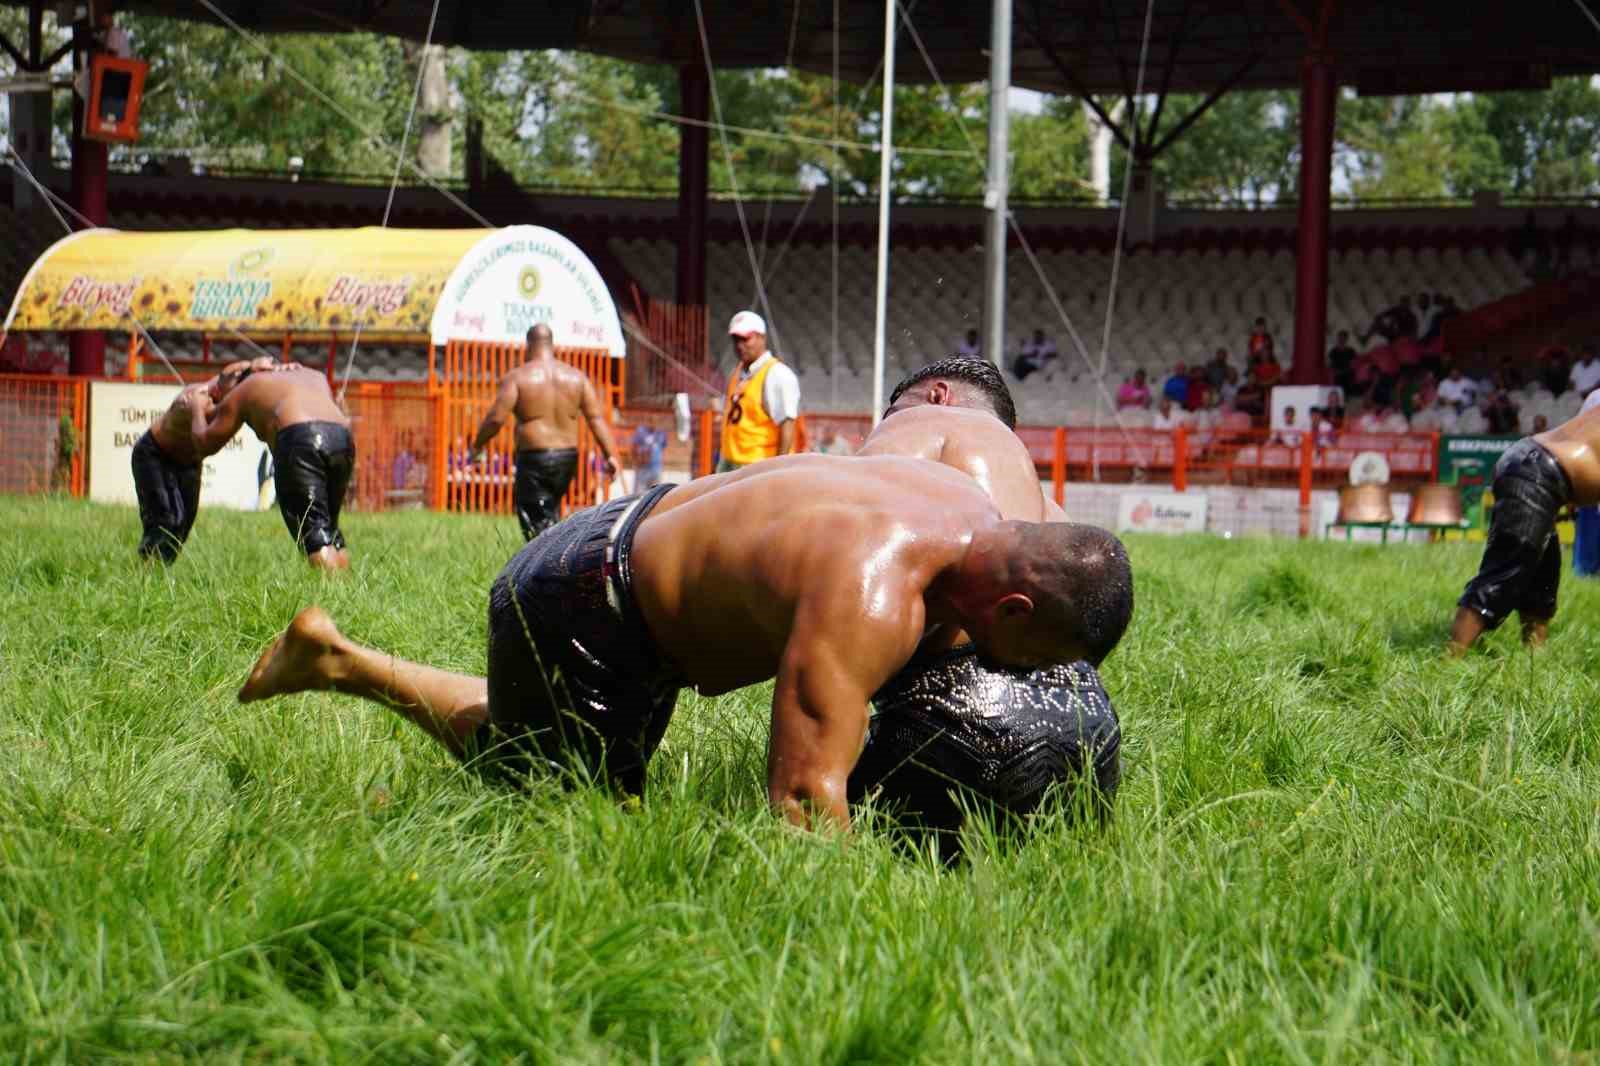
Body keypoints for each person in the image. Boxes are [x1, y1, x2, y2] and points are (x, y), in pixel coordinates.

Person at [238, 455, 1135, 831]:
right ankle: (337, 660)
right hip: (580, 602)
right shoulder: (871, 596)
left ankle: (335, 653)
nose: (1019, 679)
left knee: (561, 774)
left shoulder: (963, 505)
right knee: (565, 815)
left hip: (632, 543)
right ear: (1013, 607)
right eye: (1034, 662)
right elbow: (799, 803)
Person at [1447, 398, 1600, 655]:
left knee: (1542, 583)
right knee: (1504, 574)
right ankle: (1448, 663)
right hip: (1537, 473)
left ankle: (1532, 662)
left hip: (1536, 466)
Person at [191, 360, 357, 569]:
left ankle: (333, 598)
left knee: (313, 534)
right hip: (342, 439)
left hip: (301, 438)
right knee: (328, 529)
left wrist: (197, 407)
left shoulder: (247, 386)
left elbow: (204, 443)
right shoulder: (311, 374)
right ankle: (346, 588)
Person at [466, 324, 622, 540]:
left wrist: (477, 446)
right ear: (551, 344)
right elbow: (595, 419)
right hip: (567, 458)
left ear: (529, 345)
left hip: (534, 459)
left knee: (535, 526)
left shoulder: (519, 377)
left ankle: (547, 568)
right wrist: (610, 456)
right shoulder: (576, 377)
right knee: (550, 515)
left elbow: (495, 419)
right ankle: (556, 560)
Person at [132, 358, 275, 562]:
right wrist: (197, 409)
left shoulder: (227, 388)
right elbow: (203, 443)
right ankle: (148, 572)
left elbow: (235, 372)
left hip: (188, 462)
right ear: (219, 392)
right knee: (167, 519)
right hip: (155, 455)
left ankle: (161, 571)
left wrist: (258, 365)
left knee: (183, 524)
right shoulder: (197, 401)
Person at [719, 311, 802, 472]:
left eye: (746, 338)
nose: (739, 345)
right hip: (729, 461)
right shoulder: (738, 371)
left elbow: (787, 425)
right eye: (735, 339)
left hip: (757, 467)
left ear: (762, 337)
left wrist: (777, 471)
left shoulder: (777, 374)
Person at [630, 422, 667, 492]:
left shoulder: (661, 433)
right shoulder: (641, 431)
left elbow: (663, 449)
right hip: (642, 469)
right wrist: (635, 462)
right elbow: (633, 447)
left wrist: (662, 466)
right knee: (639, 495)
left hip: (656, 469)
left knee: (655, 495)